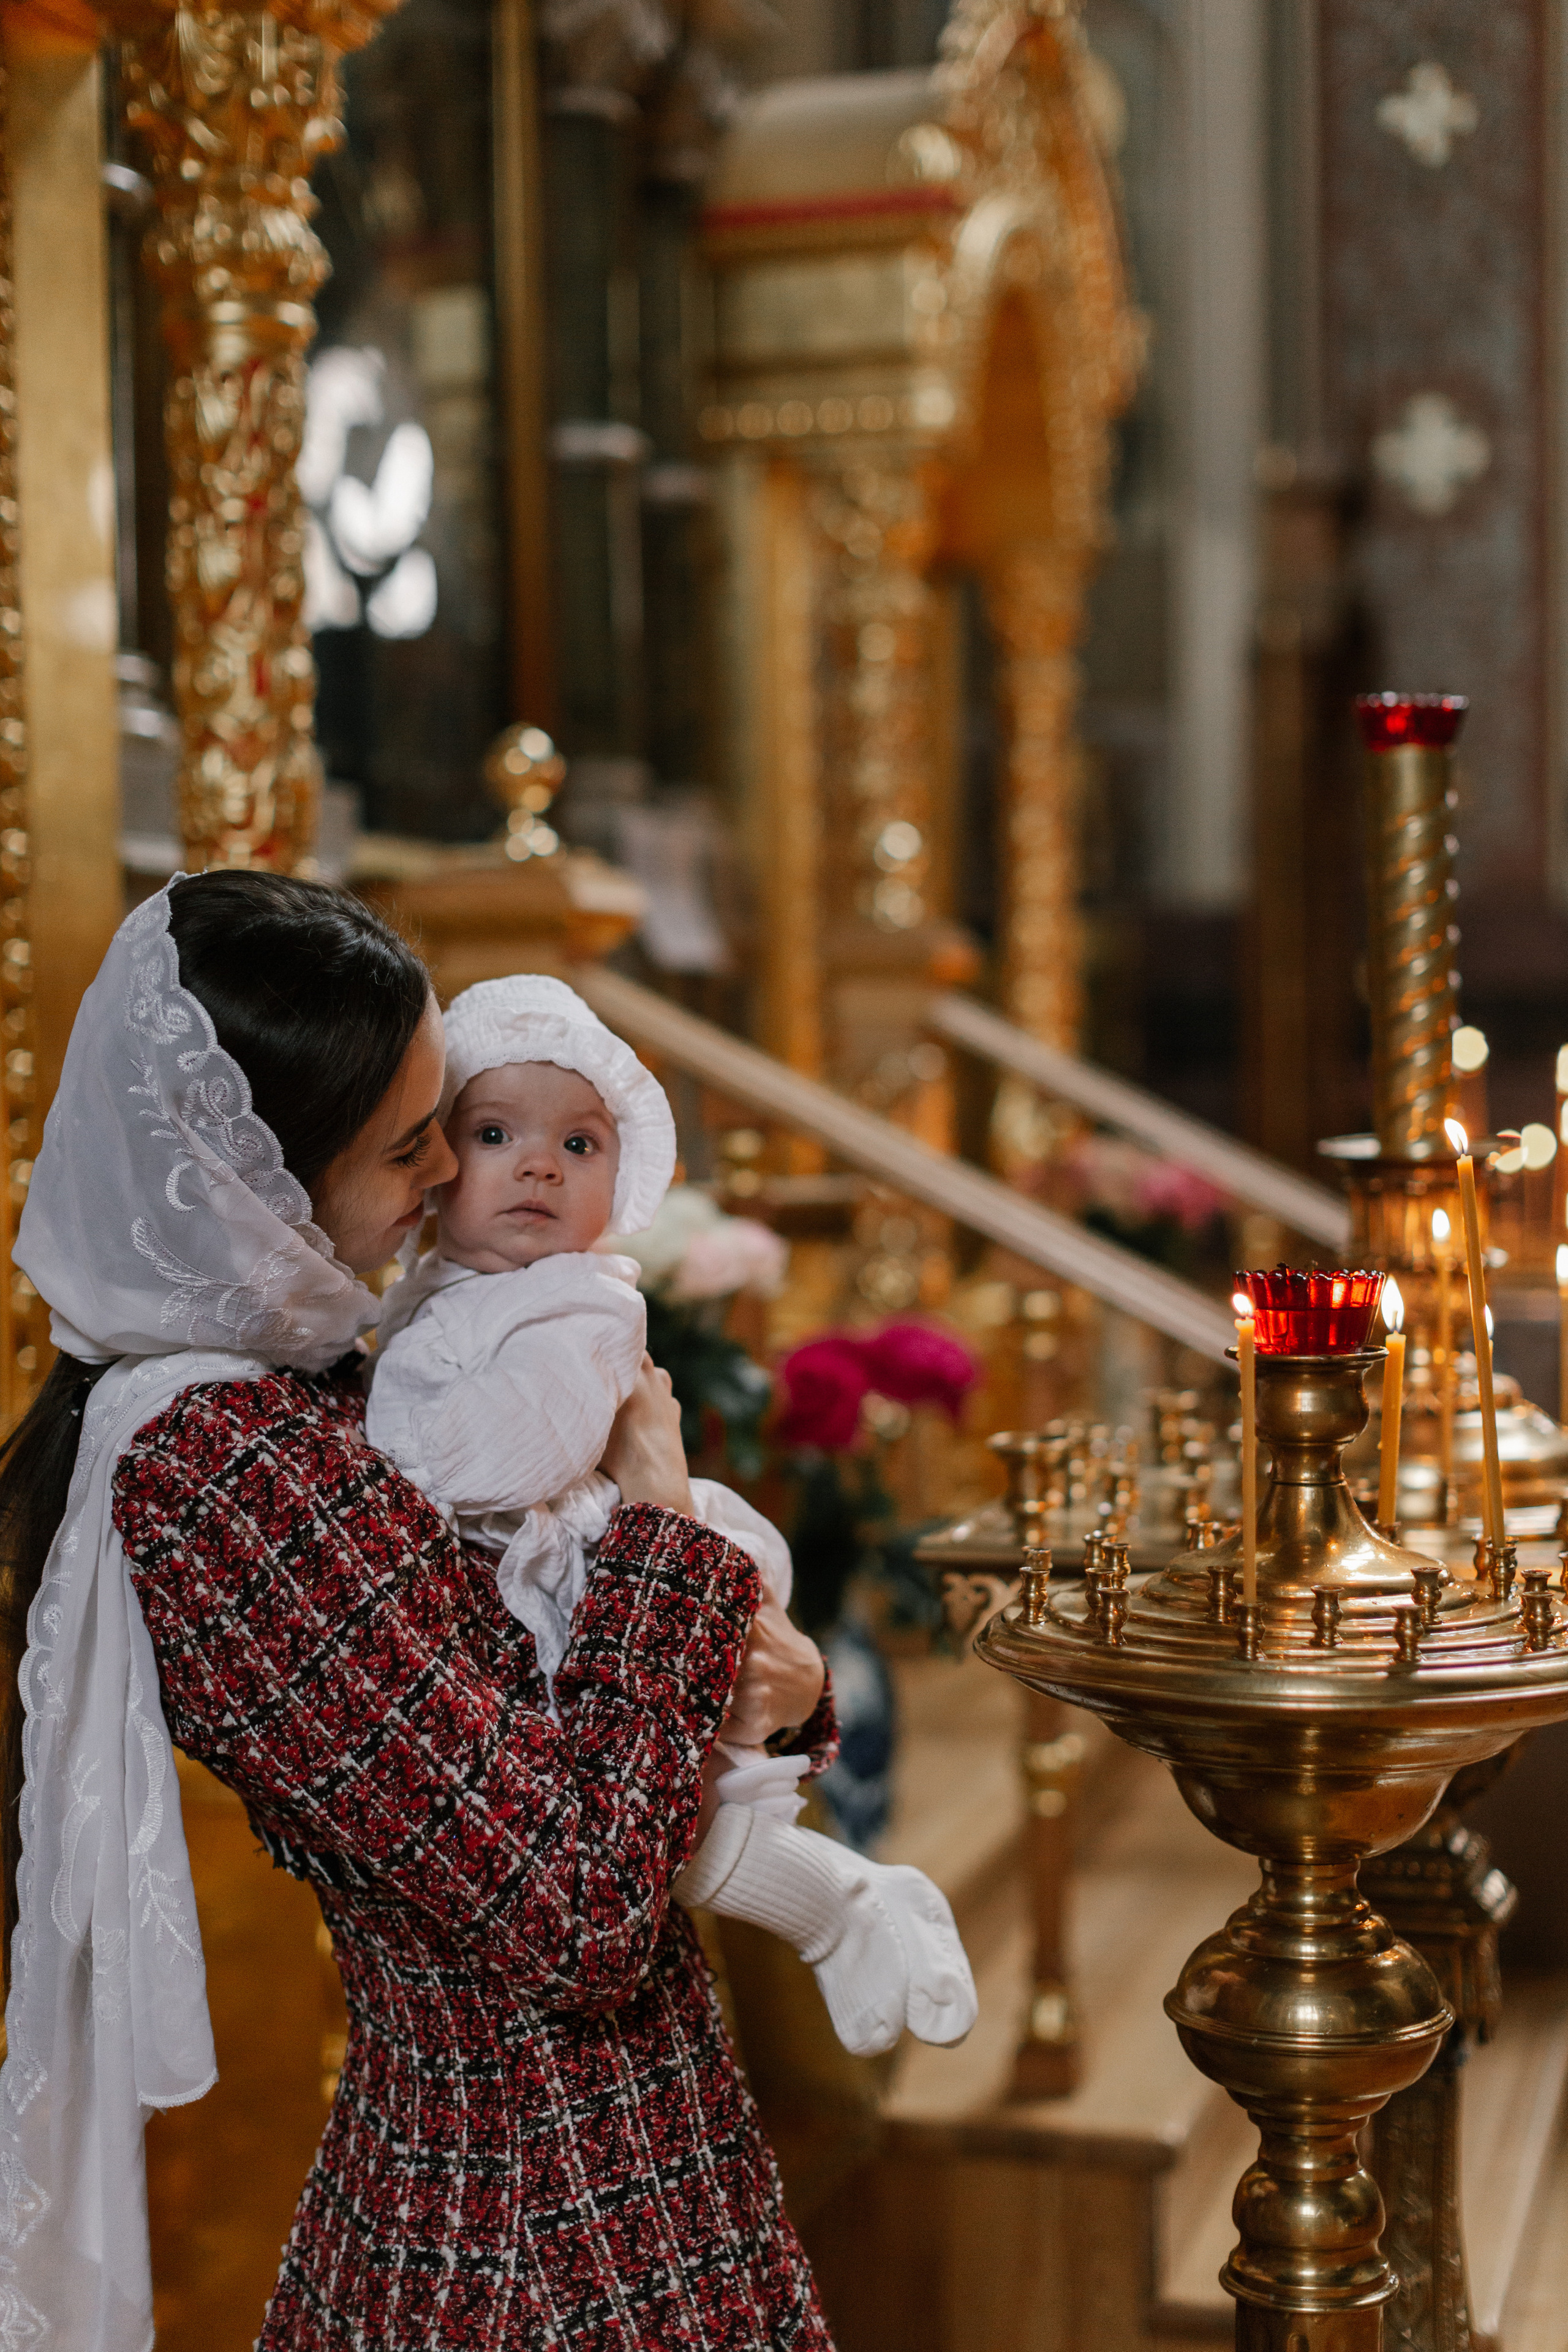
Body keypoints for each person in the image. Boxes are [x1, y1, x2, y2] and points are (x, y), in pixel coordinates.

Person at [0, 873, 839, 2352]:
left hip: (604, 2171)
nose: (449, 1175)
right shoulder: (226, 1473)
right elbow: (575, 1909)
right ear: (263, 1176)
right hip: (524, 2223)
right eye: (409, 1146)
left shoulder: (333, 1372)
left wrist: (769, 1673)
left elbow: (581, 1704)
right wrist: (658, 1513)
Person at [366, 976, 977, 2061]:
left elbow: (507, 1454)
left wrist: (395, 1448)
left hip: (598, 1579)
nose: (541, 1165)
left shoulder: (583, 1306)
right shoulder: (435, 1293)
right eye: (496, 1132)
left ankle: (837, 1905)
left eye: (581, 1145)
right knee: (626, 1832)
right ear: (436, 1161)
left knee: (632, 1818)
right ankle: (842, 1901)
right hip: (559, 1588)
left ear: (626, 1173)